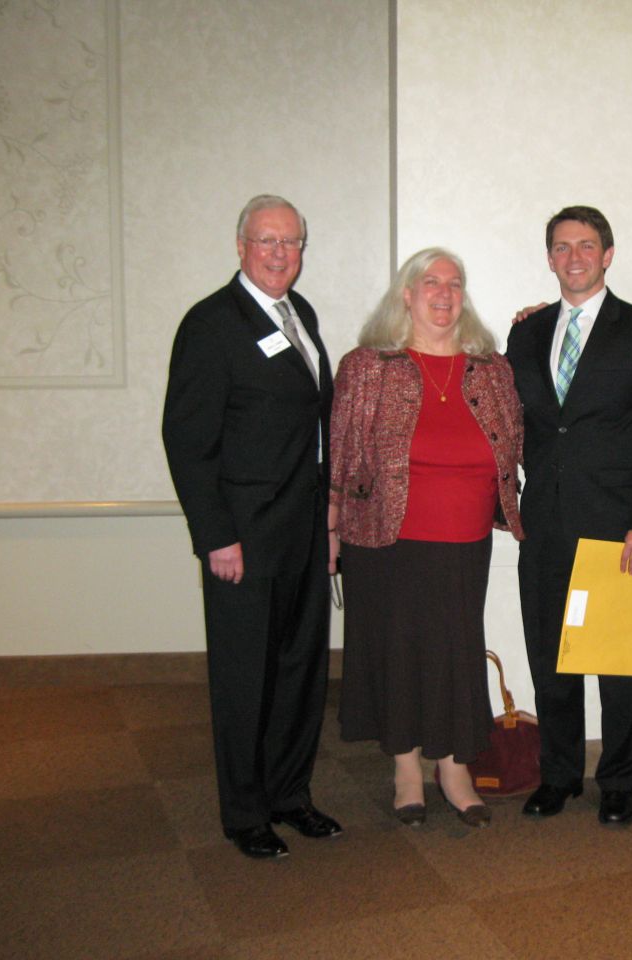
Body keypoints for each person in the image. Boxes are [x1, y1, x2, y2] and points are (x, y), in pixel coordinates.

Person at [163, 194, 338, 860]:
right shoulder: (211, 324)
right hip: (244, 537)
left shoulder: (301, 313)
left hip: (302, 529)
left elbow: (312, 427)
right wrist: (215, 536)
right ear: (240, 246)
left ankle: (290, 795)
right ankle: (244, 811)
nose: (278, 253)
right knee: (245, 678)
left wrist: (328, 518)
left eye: (291, 242)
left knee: (300, 672)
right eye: (266, 241)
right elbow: (186, 438)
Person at [330, 248, 523, 829]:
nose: (443, 292)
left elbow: (515, 441)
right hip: (385, 541)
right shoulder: (368, 365)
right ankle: (407, 769)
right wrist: (332, 528)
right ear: (406, 295)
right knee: (398, 650)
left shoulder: (492, 369)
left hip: (465, 541)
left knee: (454, 653)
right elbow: (340, 454)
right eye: (429, 282)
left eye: (454, 283)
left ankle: (453, 768)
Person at [506, 205, 632, 827]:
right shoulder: (526, 332)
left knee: (617, 661)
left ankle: (620, 781)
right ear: (549, 258)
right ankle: (559, 775)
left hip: (619, 523)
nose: (573, 256)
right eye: (561, 246)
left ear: (607, 254)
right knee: (550, 656)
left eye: (586, 245)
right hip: (543, 521)